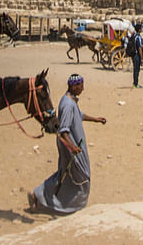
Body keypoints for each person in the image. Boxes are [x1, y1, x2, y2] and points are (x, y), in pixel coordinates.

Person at [28, 74, 106, 215]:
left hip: (74, 144)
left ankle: (38, 194)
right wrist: (73, 147)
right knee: (82, 175)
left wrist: (95, 119)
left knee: (66, 174)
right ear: (73, 86)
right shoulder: (68, 104)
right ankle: (67, 205)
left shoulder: (69, 100)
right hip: (70, 145)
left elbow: (79, 114)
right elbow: (64, 130)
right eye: (80, 86)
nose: (82, 88)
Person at [127, 23, 143, 88]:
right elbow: (139, 48)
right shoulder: (138, 37)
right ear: (139, 30)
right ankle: (135, 84)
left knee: (135, 69)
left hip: (133, 54)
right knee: (137, 69)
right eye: (141, 28)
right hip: (136, 55)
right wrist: (142, 58)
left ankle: (135, 83)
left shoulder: (133, 35)